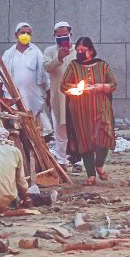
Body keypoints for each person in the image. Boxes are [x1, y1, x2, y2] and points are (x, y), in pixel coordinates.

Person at [61, 37, 116, 186]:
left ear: (90, 51)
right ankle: (91, 175)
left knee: (105, 135)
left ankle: (99, 165)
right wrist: (78, 88)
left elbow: (113, 84)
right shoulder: (73, 66)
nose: (79, 53)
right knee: (85, 141)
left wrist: (101, 87)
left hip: (100, 108)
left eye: (82, 51)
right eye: (77, 50)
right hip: (80, 111)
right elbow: (64, 85)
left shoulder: (102, 65)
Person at [0, 22, 53, 137]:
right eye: (22, 32)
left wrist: (49, 97)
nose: (25, 35)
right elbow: (1, 78)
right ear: (16, 35)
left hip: (33, 96)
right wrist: (0, 100)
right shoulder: (8, 54)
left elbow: (45, 78)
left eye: (28, 33)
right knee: (16, 130)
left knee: (38, 132)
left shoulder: (36, 53)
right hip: (13, 98)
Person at [43, 21, 77, 168]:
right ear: (54, 36)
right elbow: (47, 67)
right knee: (60, 129)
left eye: (65, 35)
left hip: (77, 97)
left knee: (78, 129)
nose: (63, 38)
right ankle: (62, 159)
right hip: (58, 96)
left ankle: (79, 160)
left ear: (71, 34)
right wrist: (59, 58)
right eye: (59, 36)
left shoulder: (78, 50)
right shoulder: (50, 51)